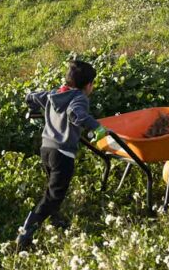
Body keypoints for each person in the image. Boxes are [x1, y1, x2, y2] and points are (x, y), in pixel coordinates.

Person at [18, 60, 107, 251]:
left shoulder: (54, 94)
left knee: (53, 189)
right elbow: (76, 113)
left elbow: (31, 96)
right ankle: (25, 234)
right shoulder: (80, 97)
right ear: (88, 85)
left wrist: (33, 110)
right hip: (63, 155)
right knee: (52, 196)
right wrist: (96, 127)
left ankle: (56, 219)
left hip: (47, 149)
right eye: (93, 84)